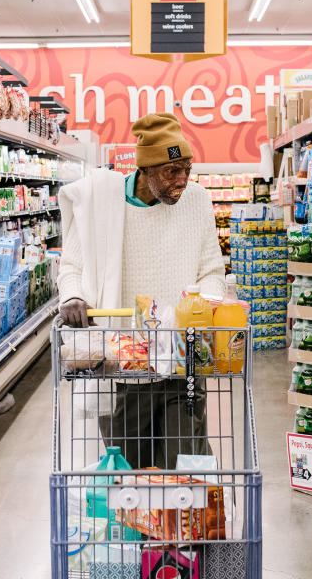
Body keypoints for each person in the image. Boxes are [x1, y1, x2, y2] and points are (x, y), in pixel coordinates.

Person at [59, 112, 225, 469]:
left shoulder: (196, 200)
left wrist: (207, 307)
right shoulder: (102, 204)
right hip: (122, 366)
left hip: (182, 363)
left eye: (187, 169)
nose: (181, 181)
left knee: (185, 466)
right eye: (170, 172)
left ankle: (184, 525)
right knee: (129, 470)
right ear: (145, 170)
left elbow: (213, 271)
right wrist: (72, 296)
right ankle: (136, 527)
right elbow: (72, 264)